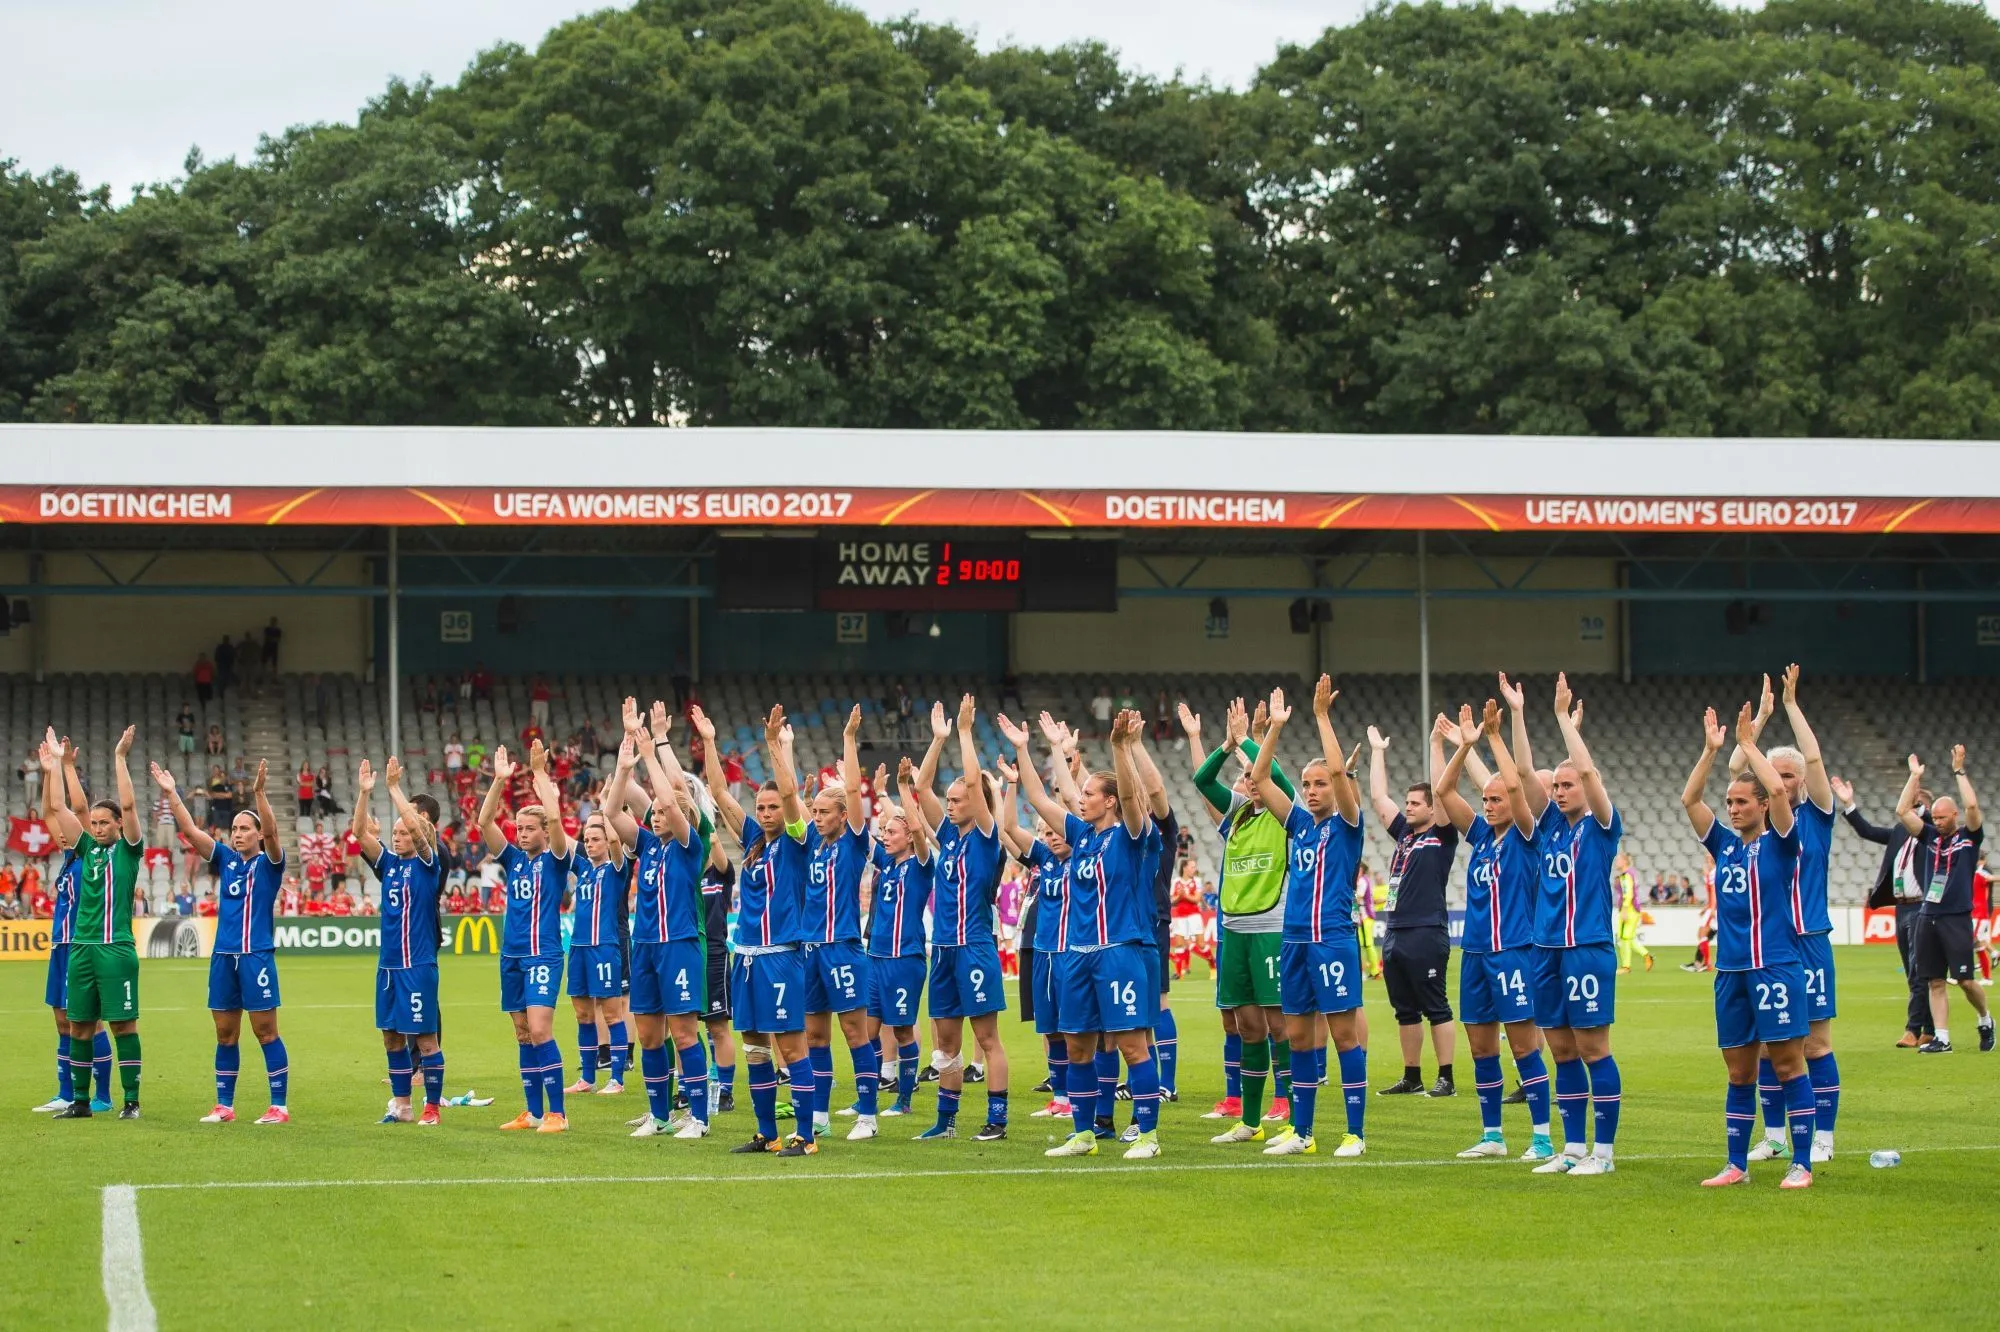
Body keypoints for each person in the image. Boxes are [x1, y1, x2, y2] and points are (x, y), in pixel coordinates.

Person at [1006, 706, 1167, 1160]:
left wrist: (1119, 748)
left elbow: (1135, 801)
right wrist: (1029, 751)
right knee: (1078, 1045)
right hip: (1077, 955)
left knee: (1133, 1045)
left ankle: (1149, 1136)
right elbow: (1040, 799)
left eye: (1091, 794)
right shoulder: (1083, 837)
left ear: (1110, 801)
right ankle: (1083, 1134)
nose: (1082, 799)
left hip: (1121, 951)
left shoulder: (1133, 835)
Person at [1681, 704, 1817, 1189]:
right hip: (1732, 972)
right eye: (1731, 802)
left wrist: (1752, 746)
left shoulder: (1783, 841)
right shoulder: (1726, 846)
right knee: (1739, 1072)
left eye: (1742, 802)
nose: (1733, 808)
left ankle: (1801, 1162)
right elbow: (1690, 798)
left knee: (1786, 1064)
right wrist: (1712, 750)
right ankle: (1736, 1164)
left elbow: (1779, 786)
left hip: (1776, 966)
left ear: (1762, 806)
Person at [1502, 671, 1626, 1176]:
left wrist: (1561, 719)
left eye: (1566, 784)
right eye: (1556, 786)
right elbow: (1523, 773)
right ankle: (1573, 1148)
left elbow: (1591, 774)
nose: (1558, 791)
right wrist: (1516, 713)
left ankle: (1605, 1152)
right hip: (1545, 949)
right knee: (1562, 1051)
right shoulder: (1549, 826)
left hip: (1586, 946)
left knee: (1594, 1048)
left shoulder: (1601, 825)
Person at [1243, 679, 1367, 1158]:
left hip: (1332, 939)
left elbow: (1339, 772)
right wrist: (1273, 728)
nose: (1313, 791)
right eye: (1308, 784)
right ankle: (1304, 1132)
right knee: (1297, 1036)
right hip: (1293, 942)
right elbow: (1260, 777)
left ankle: (1354, 1133)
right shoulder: (1297, 824)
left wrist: (1320, 718)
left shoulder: (1348, 825)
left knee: (1342, 1034)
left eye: (1320, 785)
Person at [694, 702, 818, 1157]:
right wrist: (709, 741)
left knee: (790, 1045)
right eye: (760, 807)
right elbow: (720, 793)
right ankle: (767, 1133)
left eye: (771, 807)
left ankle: (804, 1138)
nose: (765, 812)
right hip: (744, 957)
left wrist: (772, 746)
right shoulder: (751, 844)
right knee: (754, 1047)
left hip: (781, 955)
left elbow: (789, 795)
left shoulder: (797, 842)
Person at [1433, 703, 1555, 1162]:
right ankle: (1492, 1135)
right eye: (1485, 799)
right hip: (1478, 954)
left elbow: (1520, 789)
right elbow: (1444, 790)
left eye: (1496, 798)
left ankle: (1541, 1137)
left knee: (1524, 1046)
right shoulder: (1483, 837)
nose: (1488, 804)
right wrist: (1462, 745)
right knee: (1481, 1046)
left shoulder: (1528, 836)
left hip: (1515, 953)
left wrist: (1494, 741)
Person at [1734, 667, 1843, 1162]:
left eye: (1789, 775)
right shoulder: (1758, 822)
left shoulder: (1817, 814)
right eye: (1773, 775)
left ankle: (1822, 1138)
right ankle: (1775, 1137)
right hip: (1770, 946)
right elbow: (1738, 761)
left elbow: (1815, 758)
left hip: (1809, 940)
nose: (1782, 782)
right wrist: (1759, 719)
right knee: (1764, 1046)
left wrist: (1793, 707)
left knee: (1815, 1044)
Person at [154, 759, 290, 1125]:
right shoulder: (227, 860)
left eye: (246, 828)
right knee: (225, 1033)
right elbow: (189, 831)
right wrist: (172, 793)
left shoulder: (270, 864)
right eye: (235, 828)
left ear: (258, 835)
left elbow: (274, 834)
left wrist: (259, 793)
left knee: (265, 1032)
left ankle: (279, 1106)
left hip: (256, 956)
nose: (238, 833)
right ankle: (224, 1106)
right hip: (223, 958)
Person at [1182, 697, 1295, 1137]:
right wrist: (1227, 746)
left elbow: (1278, 777)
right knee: (1248, 1026)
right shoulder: (1236, 815)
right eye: (1245, 779)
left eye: (1255, 776)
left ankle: (1285, 1103)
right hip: (1234, 929)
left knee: (1278, 1023)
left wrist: (1250, 742)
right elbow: (1201, 778)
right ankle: (1249, 1122)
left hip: (1271, 929)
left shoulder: (1288, 813)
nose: (1250, 782)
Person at [910, 697, 1012, 1142]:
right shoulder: (949, 835)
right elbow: (922, 785)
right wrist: (937, 739)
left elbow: (973, 778)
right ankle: (946, 1122)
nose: (949, 806)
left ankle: (997, 1120)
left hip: (975, 945)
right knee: (945, 1044)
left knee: (986, 1038)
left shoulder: (988, 836)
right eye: (948, 801)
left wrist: (967, 734)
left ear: (977, 801)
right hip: (944, 949)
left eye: (958, 800)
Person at [612, 700, 712, 1140]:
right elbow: (614, 813)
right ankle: (659, 1115)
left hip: (680, 945)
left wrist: (651, 749)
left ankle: (700, 1118)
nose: (656, 812)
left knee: (686, 1035)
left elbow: (670, 802)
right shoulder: (650, 847)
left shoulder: (690, 846)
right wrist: (622, 763)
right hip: (646, 946)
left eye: (662, 810)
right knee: (650, 1037)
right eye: (651, 811)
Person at [45, 726, 145, 1120]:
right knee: (79, 1026)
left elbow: (132, 806)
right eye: (96, 823)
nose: (99, 828)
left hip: (115, 949)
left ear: (118, 826)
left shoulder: (128, 852)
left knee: (122, 1026)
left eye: (106, 822)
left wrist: (120, 759)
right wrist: (60, 764)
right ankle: (81, 1102)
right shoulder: (85, 849)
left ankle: (131, 1101)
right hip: (82, 949)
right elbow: (61, 810)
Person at [480, 742, 577, 1132]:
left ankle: (558, 1114)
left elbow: (556, 823)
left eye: (528, 828)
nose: (521, 834)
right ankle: (534, 1112)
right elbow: (485, 823)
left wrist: (539, 775)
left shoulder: (556, 859)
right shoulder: (513, 860)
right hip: (513, 956)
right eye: (518, 828)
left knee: (540, 1030)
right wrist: (500, 782)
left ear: (543, 831)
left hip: (544, 955)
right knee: (523, 1033)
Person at [1366, 720, 1459, 1098]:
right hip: (1396, 931)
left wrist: (1436, 744)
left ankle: (1447, 1077)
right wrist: (1377, 752)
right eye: (1407, 803)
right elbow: (1378, 799)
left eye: (1415, 803)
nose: (1408, 808)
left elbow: (1442, 789)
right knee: (1404, 1009)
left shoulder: (1442, 834)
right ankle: (1412, 1075)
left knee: (1435, 1005)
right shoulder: (1405, 834)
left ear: (1433, 808)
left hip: (1426, 930)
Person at [799, 706, 879, 1140]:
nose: (818, 817)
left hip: (843, 946)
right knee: (814, 1036)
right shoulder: (813, 842)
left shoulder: (853, 842)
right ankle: (821, 1116)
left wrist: (849, 737)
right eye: (815, 812)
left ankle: (867, 1114)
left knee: (854, 1031)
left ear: (843, 815)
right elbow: (796, 809)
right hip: (810, 950)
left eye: (825, 812)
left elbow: (850, 791)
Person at [356, 757, 447, 1125]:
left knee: (425, 1040)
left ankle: (432, 1108)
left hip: (418, 965)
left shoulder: (429, 864)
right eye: (394, 833)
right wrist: (365, 794)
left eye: (404, 833)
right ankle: (403, 1106)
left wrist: (394, 789)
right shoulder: (390, 865)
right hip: (389, 967)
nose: (398, 836)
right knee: (391, 1039)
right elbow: (360, 833)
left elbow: (417, 827)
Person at [31, 743, 114, 1115]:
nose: (62, 833)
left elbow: (68, 809)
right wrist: (49, 769)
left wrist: (64, 768)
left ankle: (104, 1094)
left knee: (90, 1022)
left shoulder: (87, 854)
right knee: (61, 1019)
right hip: (60, 945)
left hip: (84, 946)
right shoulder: (67, 858)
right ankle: (65, 1092)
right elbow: (51, 810)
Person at [1897, 748, 1996, 1052]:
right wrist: (1914, 777)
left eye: (1942, 817)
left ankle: (1985, 1019)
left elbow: (1972, 804)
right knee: (1935, 981)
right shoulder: (1928, 837)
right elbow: (1902, 812)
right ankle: (1942, 1038)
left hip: (1956, 917)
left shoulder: (1969, 838)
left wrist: (1959, 771)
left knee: (1965, 981)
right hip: (1928, 916)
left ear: (1954, 815)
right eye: (1935, 817)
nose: (1937, 822)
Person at [867, 759, 936, 1120]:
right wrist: (877, 793)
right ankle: (868, 1097)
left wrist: (905, 787)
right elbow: (862, 835)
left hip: (904, 960)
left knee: (903, 1029)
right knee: (868, 1029)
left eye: (891, 833)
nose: (884, 837)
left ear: (908, 836)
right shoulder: (889, 864)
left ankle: (904, 1101)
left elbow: (919, 832)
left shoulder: (921, 864)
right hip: (875, 958)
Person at [562, 790, 633, 1102]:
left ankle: (617, 1078)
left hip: (605, 947)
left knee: (613, 1015)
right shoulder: (584, 869)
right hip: (578, 947)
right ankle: (587, 1078)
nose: (589, 844)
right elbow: (559, 839)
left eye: (595, 839)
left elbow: (618, 841)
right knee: (582, 1015)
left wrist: (607, 807)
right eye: (587, 840)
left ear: (607, 842)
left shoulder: (616, 868)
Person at [1614, 855, 1651, 974]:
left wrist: (1624, 909)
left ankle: (1626, 967)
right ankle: (1646, 955)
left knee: (1624, 937)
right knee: (1627, 938)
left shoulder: (1626, 875)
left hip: (1629, 909)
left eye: (1618, 860)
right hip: (1631, 908)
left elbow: (1628, 893)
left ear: (1624, 862)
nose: (1616, 862)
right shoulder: (1629, 873)